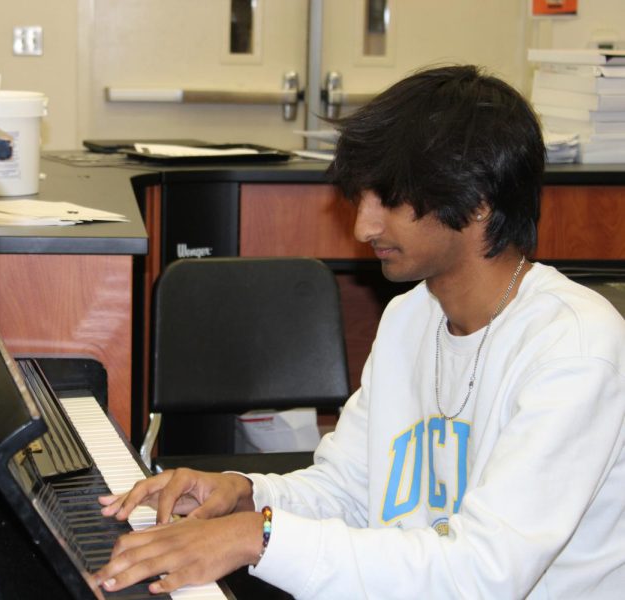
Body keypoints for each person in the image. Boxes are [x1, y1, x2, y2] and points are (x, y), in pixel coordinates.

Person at [94, 65, 625, 598]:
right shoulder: (410, 316)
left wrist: (259, 536)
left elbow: (482, 574)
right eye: (361, 199)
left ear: (478, 200)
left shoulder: (575, 347)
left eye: (389, 201)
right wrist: (243, 495)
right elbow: (350, 489)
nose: (363, 228)